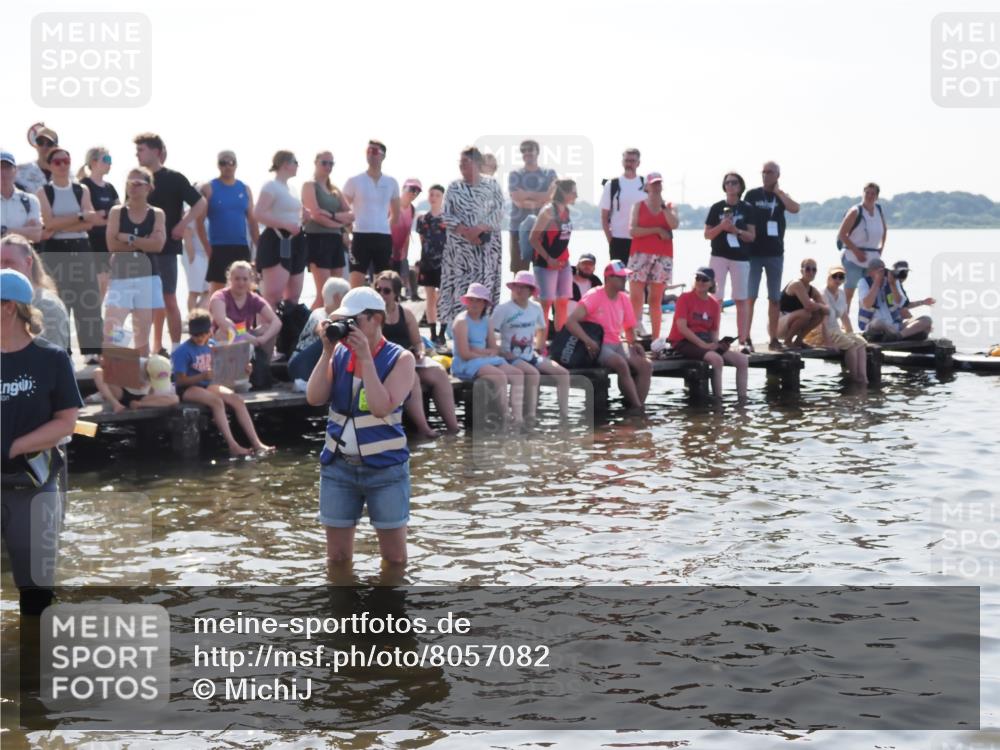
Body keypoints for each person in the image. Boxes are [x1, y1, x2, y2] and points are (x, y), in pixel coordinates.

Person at [305, 286, 415, 567]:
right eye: (345, 321)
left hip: (385, 468)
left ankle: (386, 611)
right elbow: (314, 397)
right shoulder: (339, 354)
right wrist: (327, 352)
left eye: (354, 321)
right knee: (337, 559)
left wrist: (366, 359)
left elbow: (380, 407)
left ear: (376, 319)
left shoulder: (400, 358)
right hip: (338, 467)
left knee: (395, 559)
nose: (348, 327)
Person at [0, 268, 82, 615]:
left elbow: (67, 422)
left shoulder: (51, 359)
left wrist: (14, 447)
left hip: (32, 487)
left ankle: (33, 663)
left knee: (36, 596)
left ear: (8, 308)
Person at [135, 132, 207, 355]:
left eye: (141, 150)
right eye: (137, 151)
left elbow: (200, 202)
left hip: (166, 249)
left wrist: (182, 224)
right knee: (145, 301)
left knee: (168, 299)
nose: (137, 154)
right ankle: (153, 347)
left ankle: (175, 348)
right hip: (140, 249)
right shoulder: (136, 180)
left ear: (156, 152)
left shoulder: (174, 178)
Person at [171, 309, 274, 457]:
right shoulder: (182, 351)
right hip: (188, 387)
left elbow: (226, 370)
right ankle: (233, 445)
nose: (199, 338)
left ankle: (257, 443)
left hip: (208, 383)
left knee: (237, 400)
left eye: (202, 334)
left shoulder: (213, 345)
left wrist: (244, 369)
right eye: (195, 335)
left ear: (210, 332)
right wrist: (201, 376)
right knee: (217, 402)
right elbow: (179, 381)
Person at [36, 147, 103, 361]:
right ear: (49, 166)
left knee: (88, 300)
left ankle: (92, 351)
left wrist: (64, 223)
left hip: (81, 248)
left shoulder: (81, 189)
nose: (63, 165)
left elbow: (91, 221)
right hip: (56, 252)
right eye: (57, 162)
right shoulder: (43, 192)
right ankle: (62, 351)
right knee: (60, 301)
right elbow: (48, 222)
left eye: (66, 160)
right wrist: (80, 217)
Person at [375, 270, 461, 435]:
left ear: (395, 293)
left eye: (386, 291)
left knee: (440, 373)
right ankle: (424, 428)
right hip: (385, 363)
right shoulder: (373, 315)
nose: (381, 294)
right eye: (378, 290)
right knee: (412, 378)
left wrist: (420, 353)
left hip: (407, 359)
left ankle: (453, 427)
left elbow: (417, 342)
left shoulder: (405, 314)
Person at [564, 261, 652, 413]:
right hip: (598, 344)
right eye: (620, 277)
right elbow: (571, 322)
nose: (624, 280)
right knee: (621, 364)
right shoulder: (594, 295)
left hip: (617, 342)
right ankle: (638, 408)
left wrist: (634, 343)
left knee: (646, 365)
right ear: (608, 278)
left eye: (625, 277)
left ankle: (635, 406)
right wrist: (588, 341)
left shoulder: (624, 298)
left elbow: (628, 327)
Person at [437, 146, 505, 329]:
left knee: (484, 290)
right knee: (460, 291)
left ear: (477, 163)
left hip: (486, 253)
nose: (461, 166)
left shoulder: (492, 185)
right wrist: (466, 232)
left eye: (465, 162)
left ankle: (485, 330)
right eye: (460, 163)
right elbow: (445, 214)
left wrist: (479, 229)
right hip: (460, 253)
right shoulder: (454, 186)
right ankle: (456, 331)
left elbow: (500, 211)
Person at [103, 167, 167, 357]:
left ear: (149, 187)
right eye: (129, 182)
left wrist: (128, 238)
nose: (132, 187)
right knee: (112, 333)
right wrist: (143, 243)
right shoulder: (117, 211)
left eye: (138, 183)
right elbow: (112, 245)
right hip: (121, 277)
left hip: (147, 278)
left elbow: (158, 246)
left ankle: (140, 384)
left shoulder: (157, 214)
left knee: (142, 339)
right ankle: (112, 382)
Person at [492, 270, 571, 421]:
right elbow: (490, 333)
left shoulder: (536, 308)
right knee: (533, 374)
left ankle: (564, 417)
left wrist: (539, 348)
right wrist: (500, 351)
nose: (519, 290)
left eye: (523, 287)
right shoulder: (503, 309)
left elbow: (542, 328)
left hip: (531, 354)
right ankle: (529, 416)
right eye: (516, 286)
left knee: (563, 374)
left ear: (531, 291)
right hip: (511, 356)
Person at [667, 266, 750, 401]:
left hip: (704, 341)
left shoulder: (714, 304)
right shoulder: (685, 298)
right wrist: (703, 345)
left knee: (742, 360)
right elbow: (681, 327)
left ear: (711, 283)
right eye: (697, 278)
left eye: (704, 279)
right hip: (683, 341)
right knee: (716, 359)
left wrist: (719, 344)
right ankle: (718, 400)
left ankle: (743, 400)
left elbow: (713, 332)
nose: (700, 282)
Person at [451, 282, 526, 427]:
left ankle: (518, 417)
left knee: (517, 374)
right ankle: (505, 417)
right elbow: (465, 354)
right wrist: (485, 353)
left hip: (483, 359)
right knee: (499, 376)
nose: (474, 303)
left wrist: (481, 351)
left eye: (478, 300)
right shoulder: (461, 321)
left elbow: (494, 348)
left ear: (485, 303)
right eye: (471, 300)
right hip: (465, 364)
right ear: (466, 301)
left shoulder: (487, 321)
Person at [745, 161, 800, 351]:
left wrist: (779, 193)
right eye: (764, 172)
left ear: (778, 175)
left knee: (774, 298)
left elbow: (795, 208)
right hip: (753, 253)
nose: (766, 175)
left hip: (775, 253)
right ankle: (746, 337)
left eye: (770, 172)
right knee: (750, 297)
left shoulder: (781, 196)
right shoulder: (752, 195)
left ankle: (773, 338)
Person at [704, 171, 756, 353]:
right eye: (728, 183)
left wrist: (736, 230)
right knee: (715, 298)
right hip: (719, 256)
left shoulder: (747, 208)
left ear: (740, 186)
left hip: (740, 258)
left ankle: (742, 340)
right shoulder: (716, 207)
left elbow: (751, 236)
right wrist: (722, 226)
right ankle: (714, 338)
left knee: (741, 298)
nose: (731, 186)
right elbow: (707, 234)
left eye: (734, 183)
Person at [198, 150, 259, 295]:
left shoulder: (244, 188)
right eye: (223, 162)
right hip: (218, 247)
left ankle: (244, 318)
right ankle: (217, 318)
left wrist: (259, 248)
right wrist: (207, 247)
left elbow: (252, 220)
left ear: (236, 164)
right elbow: (199, 221)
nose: (227, 166)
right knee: (218, 292)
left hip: (241, 246)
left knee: (245, 290)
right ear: (218, 165)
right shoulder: (209, 187)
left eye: (231, 162)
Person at [627, 172, 678, 342]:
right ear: (647, 187)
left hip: (663, 256)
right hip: (640, 254)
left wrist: (663, 208)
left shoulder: (669, 206)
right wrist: (656, 230)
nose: (656, 187)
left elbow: (674, 224)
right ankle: (632, 335)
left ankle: (656, 338)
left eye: (658, 184)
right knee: (635, 296)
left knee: (656, 299)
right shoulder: (638, 206)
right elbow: (633, 230)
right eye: (653, 184)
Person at [342, 140, 400, 289]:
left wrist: (384, 226)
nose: (370, 155)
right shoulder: (354, 180)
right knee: (356, 281)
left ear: (383, 155)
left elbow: (396, 214)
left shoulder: (391, 182)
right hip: (360, 236)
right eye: (368, 151)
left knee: (384, 282)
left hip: (383, 237)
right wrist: (349, 229)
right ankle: (354, 312)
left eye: (374, 151)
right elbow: (343, 208)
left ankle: (380, 311)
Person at [254, 150, 307, 308]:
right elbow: (258, 213)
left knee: (294, 296)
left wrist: (303, 216)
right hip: (277, 239)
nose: (298, 166)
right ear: (285, 164)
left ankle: (288, 331)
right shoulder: (271, 185)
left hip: (295, 241)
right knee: (273, 295)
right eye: (295, 162)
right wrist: (284, 224)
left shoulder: (292, 188)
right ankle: (269, 331)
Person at [0, 234, 70, 352]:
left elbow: (52, 358)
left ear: (28, 262)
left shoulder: (47, 306)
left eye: (8, 262)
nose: (2, 268)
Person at [302, 151, 353, 309]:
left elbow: (351, 214)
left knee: (337, 293)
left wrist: (331, 215)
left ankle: (332, 327)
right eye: (324, 162)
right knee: (323, 294)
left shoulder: (334, 189)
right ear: (316, 162)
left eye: (331, 163)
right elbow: (315, 214)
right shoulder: (309, 185)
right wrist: (339, 223)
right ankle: (309, 328)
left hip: (335, 241)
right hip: (317, 240)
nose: (328, 166)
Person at [529, 179, 576, 334]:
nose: (576, 195)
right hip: (545, 263)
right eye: (573, 191)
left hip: (563, 262)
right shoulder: (548, 211)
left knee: (563, 301)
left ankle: (559, 340)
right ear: (563, 192)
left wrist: (562, 260)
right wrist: (549, 259)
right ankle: (540, 343)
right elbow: (533, 239)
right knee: (546, 303)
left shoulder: (567, 211)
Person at [807, 265, 868, 384]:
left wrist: (851, 333)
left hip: (835, 330)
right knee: (851, 345)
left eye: (841, 277)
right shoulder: (822, 293)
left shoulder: (841, 293)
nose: (838, 279)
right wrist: (828, 341)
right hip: (820, 331)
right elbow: (823, 319)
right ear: (828, 277)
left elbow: (844, 316)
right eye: (835, 276)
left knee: (860, 342)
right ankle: (854, 378)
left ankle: (863, 377)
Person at [288, 276, 350, 384]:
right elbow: (322, 329)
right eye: (346, 295)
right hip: (300, 364)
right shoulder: (319, 313)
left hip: (314, 367)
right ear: (337, 297)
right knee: (328, 338)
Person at [208, 260, 282, 351]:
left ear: (251, 280)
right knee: (225, 332)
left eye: (245, 279)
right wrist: (247, 337)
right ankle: (227, 363)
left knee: (267, 328)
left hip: (246, 335)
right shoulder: (219, 296)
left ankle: (262, 363)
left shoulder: (254, 298)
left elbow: (276, 322)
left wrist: (263, 339)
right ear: (230, 279)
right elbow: (222, 321)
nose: (241, 283)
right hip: (221, 338)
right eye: (237, 279)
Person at [77, 146, 119, 301]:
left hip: (107, 242)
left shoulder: (110, 188)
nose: (110, 163)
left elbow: (118, 214)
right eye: (106, 159)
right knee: (92, 286)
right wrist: (101, 216)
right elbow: (89, 216)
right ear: (93, 162)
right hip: (90, 242)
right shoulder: (83, 185)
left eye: (110, 160)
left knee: (104, 286)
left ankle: (98, 322)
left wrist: (104, 216)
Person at [508, 139, 557, 273]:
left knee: (543, 272)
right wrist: (543, 197)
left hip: (544, 229)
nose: (527, 153)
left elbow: (552, 199)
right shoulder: (515, 175)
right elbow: (518, 201)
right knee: (519, 274)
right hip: (518, 228)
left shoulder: (550, 174)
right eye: (524, 151)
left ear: (537, 152)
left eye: (531, 150)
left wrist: (526, 194)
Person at [837, 182, 886, 309]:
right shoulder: (855, 211)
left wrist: (881, 249)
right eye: (867, 193)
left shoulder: (878, 209)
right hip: (853, 258)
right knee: (849, 292)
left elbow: (884, 230)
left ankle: (865, 322)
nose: (869, 196)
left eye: (873, 193)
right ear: (863, 193)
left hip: (872, 260)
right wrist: (857, 252)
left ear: (877, 196)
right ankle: (845, 323)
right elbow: (842, 234)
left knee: (868, 293)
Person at [857, 259, 933, 341]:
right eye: (879, 271)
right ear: (870, 272)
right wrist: (877, 282)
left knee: (926, 320)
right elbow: (867, 304)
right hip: (874, 325)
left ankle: (898, 336)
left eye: (883, 270)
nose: (882, 274)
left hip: (895, 325)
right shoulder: (863, 282)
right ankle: (901, 334)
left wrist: (892, 284)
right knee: (878, 322)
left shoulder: (892, 280)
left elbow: (900, 303)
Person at [599, 148, 644, 265]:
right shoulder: (612, 184)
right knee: (618, 281)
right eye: (627, 160)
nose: (629, 164)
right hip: (618, 240)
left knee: (639, 282)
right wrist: (611, 240)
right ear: (622, 162)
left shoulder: (645, 184)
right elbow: (604, 216)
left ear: (638, 163)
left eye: (633, 161)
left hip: (640, 240)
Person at [416, 184, 448, 346]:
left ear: (442, 197)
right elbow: (422, 240)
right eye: (431, 194)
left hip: (445, 263)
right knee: (430, 298)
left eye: (437, 194)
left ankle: (443, 332)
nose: (433, 197)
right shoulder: (422, 219)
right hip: (427, 262)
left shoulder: (448, 219)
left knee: (443, 298)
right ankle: (433, 332)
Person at [93, 353, 179, 413]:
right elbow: (104, 363)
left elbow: (155, 392)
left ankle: (140, 405)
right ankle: (115, 403)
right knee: (98, 372)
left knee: (175, 399)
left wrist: (141, 403)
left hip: (142, 397)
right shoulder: (130, 361)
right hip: (123, 393)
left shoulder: (165, 368)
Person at [776, 259, 828, 349]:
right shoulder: (796, 284)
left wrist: (819, 306)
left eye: (814, 270)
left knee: (820, 314)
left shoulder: (812, 290)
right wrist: (819, 305)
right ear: (801, 271)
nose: (811, 272)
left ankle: (798, 341)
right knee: (806, 314)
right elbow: (808, 306)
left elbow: (827, 310)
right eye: (808, 269)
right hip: (777, 325)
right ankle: (788, 341)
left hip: (791, 323)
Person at [1, 150, 43, 243]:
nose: (3, 172)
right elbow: (31, 234)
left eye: (7, 167)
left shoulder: (30, 201)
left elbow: (36, 235)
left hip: (20, 256)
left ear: (15, 171)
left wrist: (3, 231)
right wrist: (24, 231)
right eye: (0, 168)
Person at [391, 178, 421, 300]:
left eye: (417, 191)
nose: (414, 193)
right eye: (412, 189)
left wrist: (405, 253)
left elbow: (407, 232)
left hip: (400, 250)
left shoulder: (412, 209)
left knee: (399, 275)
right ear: (403, 188)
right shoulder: (392, 204)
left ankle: (402, 295)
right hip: (387, 248)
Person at [14, 125, 58, 196]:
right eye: (40, 142)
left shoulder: (66, 173)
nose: (44, 146)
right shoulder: (20, 171)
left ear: (56, 147)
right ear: (35, 145)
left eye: (49, 143)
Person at [181, 223, 209, 312]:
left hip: (207, 256)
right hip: (196, 255)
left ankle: (199, 316)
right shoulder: (192, 212)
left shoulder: (209, 213)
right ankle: (192, 319)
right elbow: (186, 233)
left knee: (207, 291)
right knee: (195, 291)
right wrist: (192, 256)